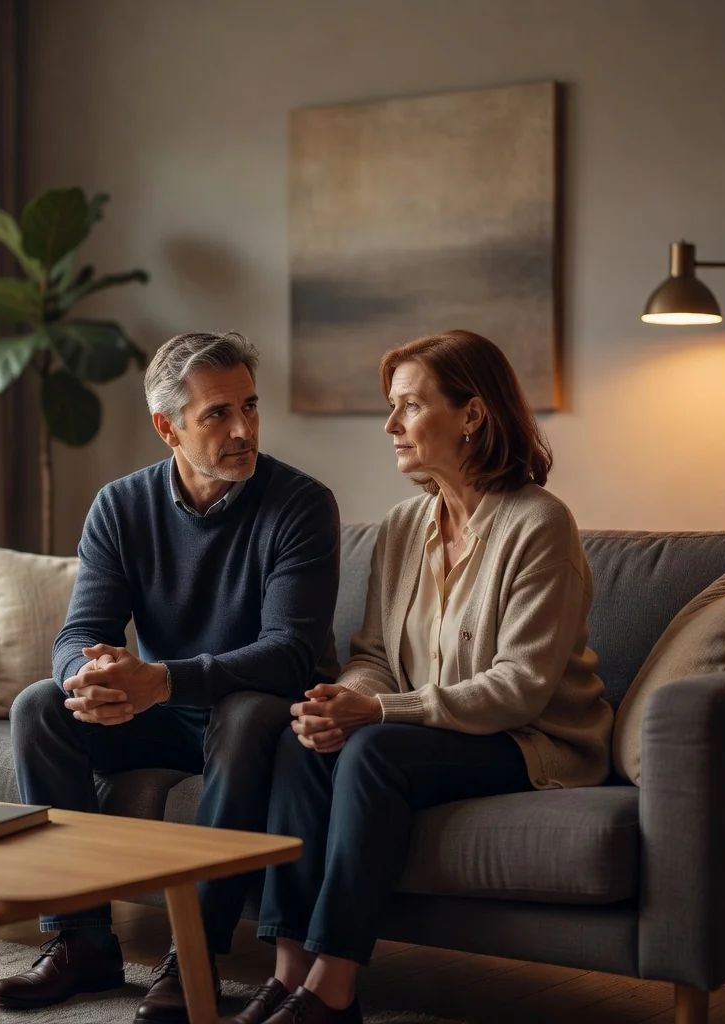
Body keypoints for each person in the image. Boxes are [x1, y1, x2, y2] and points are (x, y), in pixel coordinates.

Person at [226, 330, 613, 1024]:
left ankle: (332, 990)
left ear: (472, 415)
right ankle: (286, 974)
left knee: (373, 750)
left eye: (408, 406)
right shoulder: (404, 525)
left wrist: (377, 716)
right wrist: (345, 700)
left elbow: (520, 686)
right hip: (435, 728)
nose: (390, 424)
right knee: (302, 736)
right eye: (390, 406)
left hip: (529, 741)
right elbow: (374, 653)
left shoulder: (539, 525)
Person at [0, 331, 340, 1022]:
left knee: (245, 712)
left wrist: (161, 680)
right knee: (40, 707)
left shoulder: (301, 504)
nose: (243, 429)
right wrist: (87, 679)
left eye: (249, 406)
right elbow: (80, 634)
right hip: (164, 710)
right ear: (167, 428)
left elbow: (289, 653)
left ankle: (195, 958)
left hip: (255, 717)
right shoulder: (121, 507)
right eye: (218, 414)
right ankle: (84, 940)